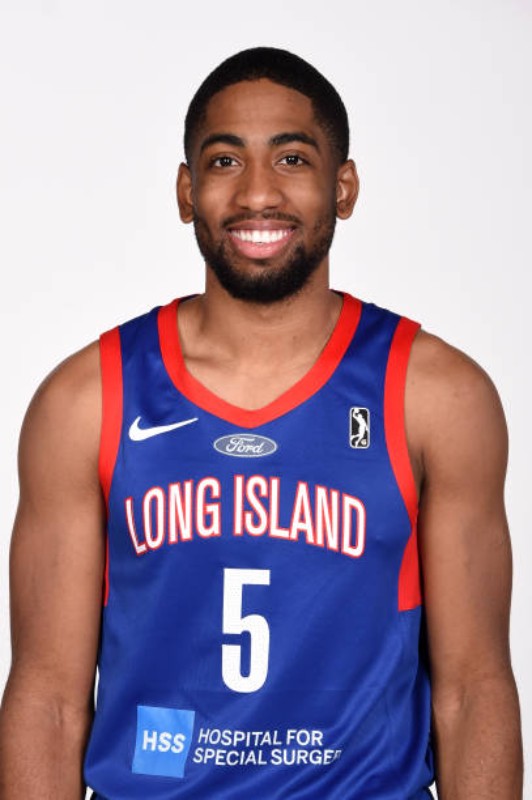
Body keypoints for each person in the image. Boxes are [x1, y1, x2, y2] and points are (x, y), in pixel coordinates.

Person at [0, 47, 523, 799]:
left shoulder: (436, 397)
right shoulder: (88, 401)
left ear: (343, 187)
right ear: (187, 192)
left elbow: (473, 691)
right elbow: (48, 701)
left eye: (291, 159)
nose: (256, 193)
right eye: (224, 161)